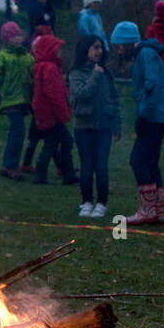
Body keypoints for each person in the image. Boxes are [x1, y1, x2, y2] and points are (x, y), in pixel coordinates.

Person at [111, 21, 164, 225]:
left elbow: (152, 84)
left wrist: (143, 115)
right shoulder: (147, 53)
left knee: (137, 160)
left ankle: (148, 210)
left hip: (153, 115)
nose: (119, 50)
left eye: (121, 45)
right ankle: (158, 210)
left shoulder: (145, 54)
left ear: (130, 42)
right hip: (160, 115)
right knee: (150, 161)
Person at [68, 36, 120, 219]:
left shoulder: (107, 74)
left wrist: (116, 125)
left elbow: (113, 100)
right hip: (83, 128)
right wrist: (95, 75)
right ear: (85, 50)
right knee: (86, 166)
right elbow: (82, 95)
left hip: (104, 127)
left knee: (101, 166)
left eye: (101, 48)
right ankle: (86, 202)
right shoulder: (76, 74)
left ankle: (102, 203)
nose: (99, 51)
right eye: (95, 47)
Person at [30, 32, 79, 185]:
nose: (60, 52)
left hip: (46, 112)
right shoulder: (50, 68)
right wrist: (62, 111)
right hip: (52, 113)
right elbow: (54, 94)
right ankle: (45, 174)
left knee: (63, 141)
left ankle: (67, 173)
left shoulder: (42, 66)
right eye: (57, 49)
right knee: (55, 143)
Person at [0, 21, 34, 180]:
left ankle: (6, 164)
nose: (18, 38)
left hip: (23, 98)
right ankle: (12, 166)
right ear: (7, 39)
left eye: (19, 35)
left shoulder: (27, 56)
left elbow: (32, 73)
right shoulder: (3, 55)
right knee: (18, 132)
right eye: (14, 36)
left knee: (15, 133)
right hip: (10, 99)